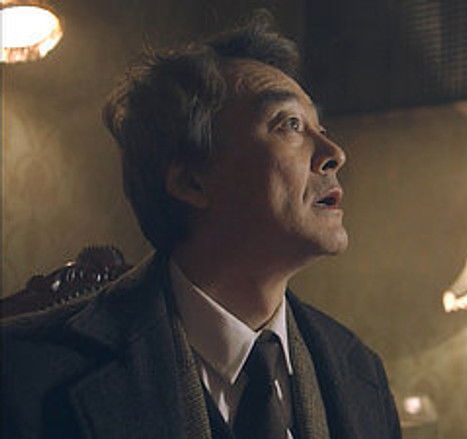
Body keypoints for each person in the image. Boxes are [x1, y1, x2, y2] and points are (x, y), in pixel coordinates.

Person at [1, 13, 401, 439]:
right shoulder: (22, 376)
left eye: (320, 127)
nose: (334, 152)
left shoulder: (360, 372)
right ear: (191, 181)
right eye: (290, 124)